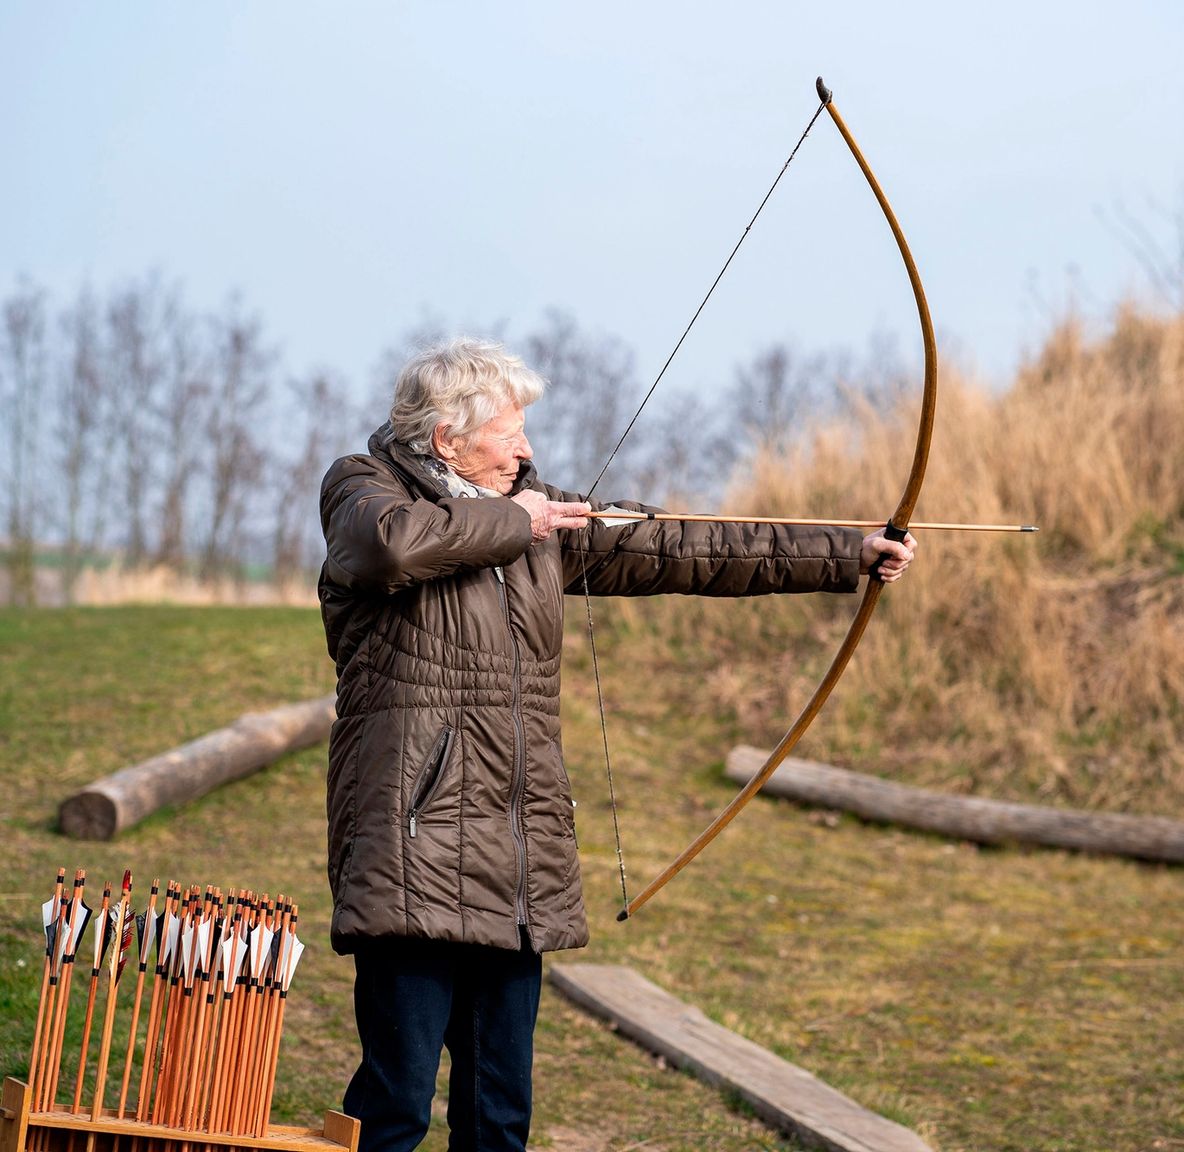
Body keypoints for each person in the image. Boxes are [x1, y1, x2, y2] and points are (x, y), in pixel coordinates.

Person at [317, 336, 915, 1152]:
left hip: (514, 856)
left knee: (499, 1116)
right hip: (413, 851)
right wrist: (514, 520)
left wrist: (847, 552)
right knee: (394, 1107)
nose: (526, 448)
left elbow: (683, 546)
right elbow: (389, 546)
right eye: (508, 431)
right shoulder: (364, 485)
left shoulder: (540, 515)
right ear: (445, 438)